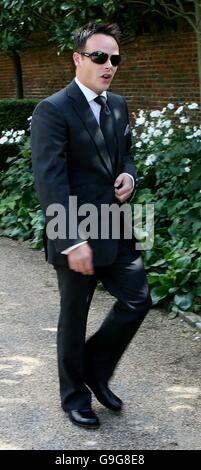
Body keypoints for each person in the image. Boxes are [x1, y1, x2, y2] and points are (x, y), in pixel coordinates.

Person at [31, 22, 151, 429]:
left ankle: (95, 370)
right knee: (74, 315)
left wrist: (129, 178)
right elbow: (51, 180)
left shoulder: (117, 104)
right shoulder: (53, 109)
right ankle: (73, 396)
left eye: (115, 58)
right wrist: (70, 238)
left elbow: (126, 156)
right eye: (100, 56)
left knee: (138, 298)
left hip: (115, 226)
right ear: (78, 58)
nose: (109, 65)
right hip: (76, 231)